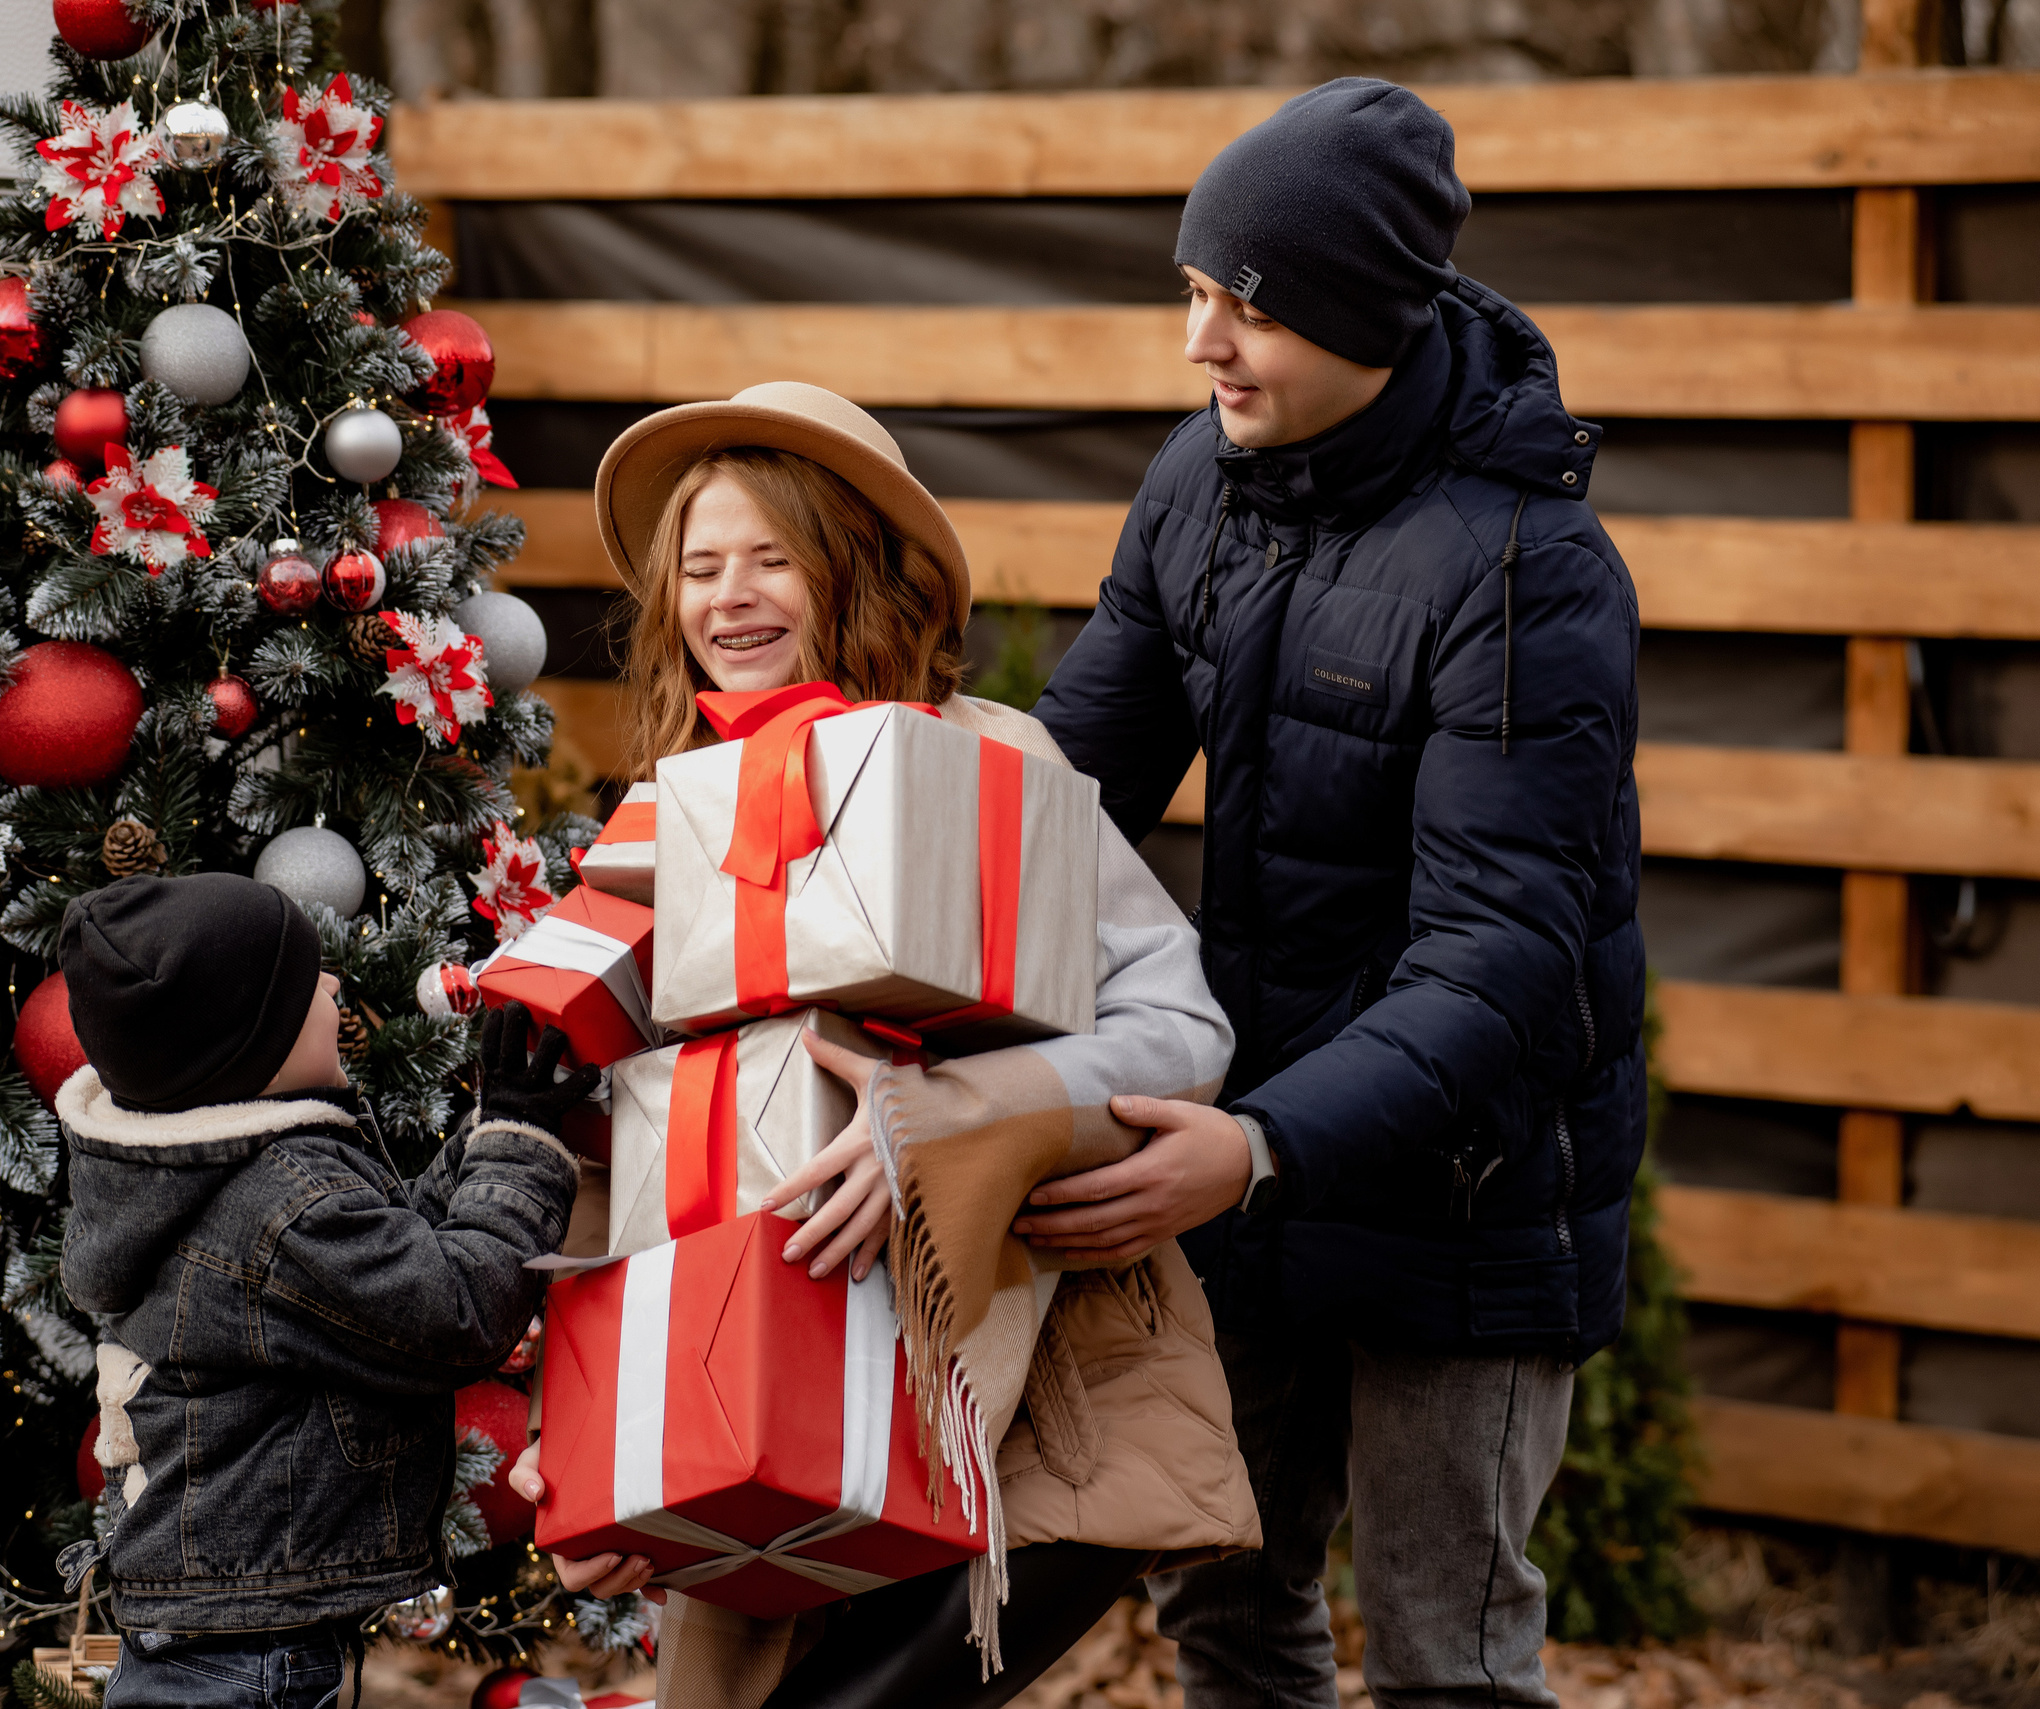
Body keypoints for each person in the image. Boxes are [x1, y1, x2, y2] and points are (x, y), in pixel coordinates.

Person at [1025, 79, 1645, 1709]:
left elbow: (1502, 958)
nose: (1199, 342)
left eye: (1249, 305)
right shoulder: (1204, 483)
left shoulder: (1526, 569)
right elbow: (1064, 788)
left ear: (1365, 316)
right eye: (1193, 289)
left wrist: (1262, 1142)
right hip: (1253, 1170)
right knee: (1230, 1607)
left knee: (1449, 1661)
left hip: (1466, 1191)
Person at [506, 380, 1262, 1709]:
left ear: (852, 572)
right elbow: (615, 1130)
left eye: (769, 559)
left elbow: (1178, 1030)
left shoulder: (992, 762)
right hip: (733, 1388)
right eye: (700, 567)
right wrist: (590, 1429)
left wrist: (954, 1118)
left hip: (1003, 1378)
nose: (728, 597)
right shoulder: (656, 820)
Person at [54, 871, 591, 1709]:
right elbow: (454, 1309)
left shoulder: (222, 1169)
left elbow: (391, 1253)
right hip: (248, 1651)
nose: (336, 984)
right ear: (248, 1044)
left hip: (223, 1620)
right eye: (309, 982)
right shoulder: (281, 1205)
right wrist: (523, 1146)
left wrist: (491, 1129)